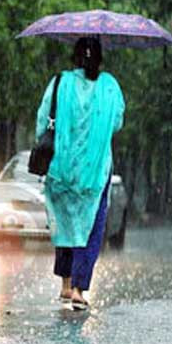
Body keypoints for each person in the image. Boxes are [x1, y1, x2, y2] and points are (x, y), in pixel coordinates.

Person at [37, 36, 124, 311]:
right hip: (95, 172)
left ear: (74, 57)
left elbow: (42, 121)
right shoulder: (110, 86)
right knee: (91, 228)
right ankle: (78, 289)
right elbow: (117, 123)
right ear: (100, 59)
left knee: (67, 223)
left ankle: (64, 283)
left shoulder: (60, 82)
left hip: (61, 169)